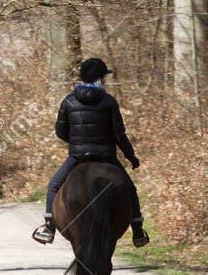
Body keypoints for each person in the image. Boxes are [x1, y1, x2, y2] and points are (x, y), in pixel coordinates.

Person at [32, 57, 150, 248]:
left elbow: (61, 132)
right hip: (107, 157)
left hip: (78, 157)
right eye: (104, 76)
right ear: (100, 78)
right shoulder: (109, 101)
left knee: (54, 185)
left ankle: (49, 228)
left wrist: (78, 142)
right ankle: (137, 230)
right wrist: (131, 156)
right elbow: (119, 135)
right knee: (129, 188)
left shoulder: (68, 102)